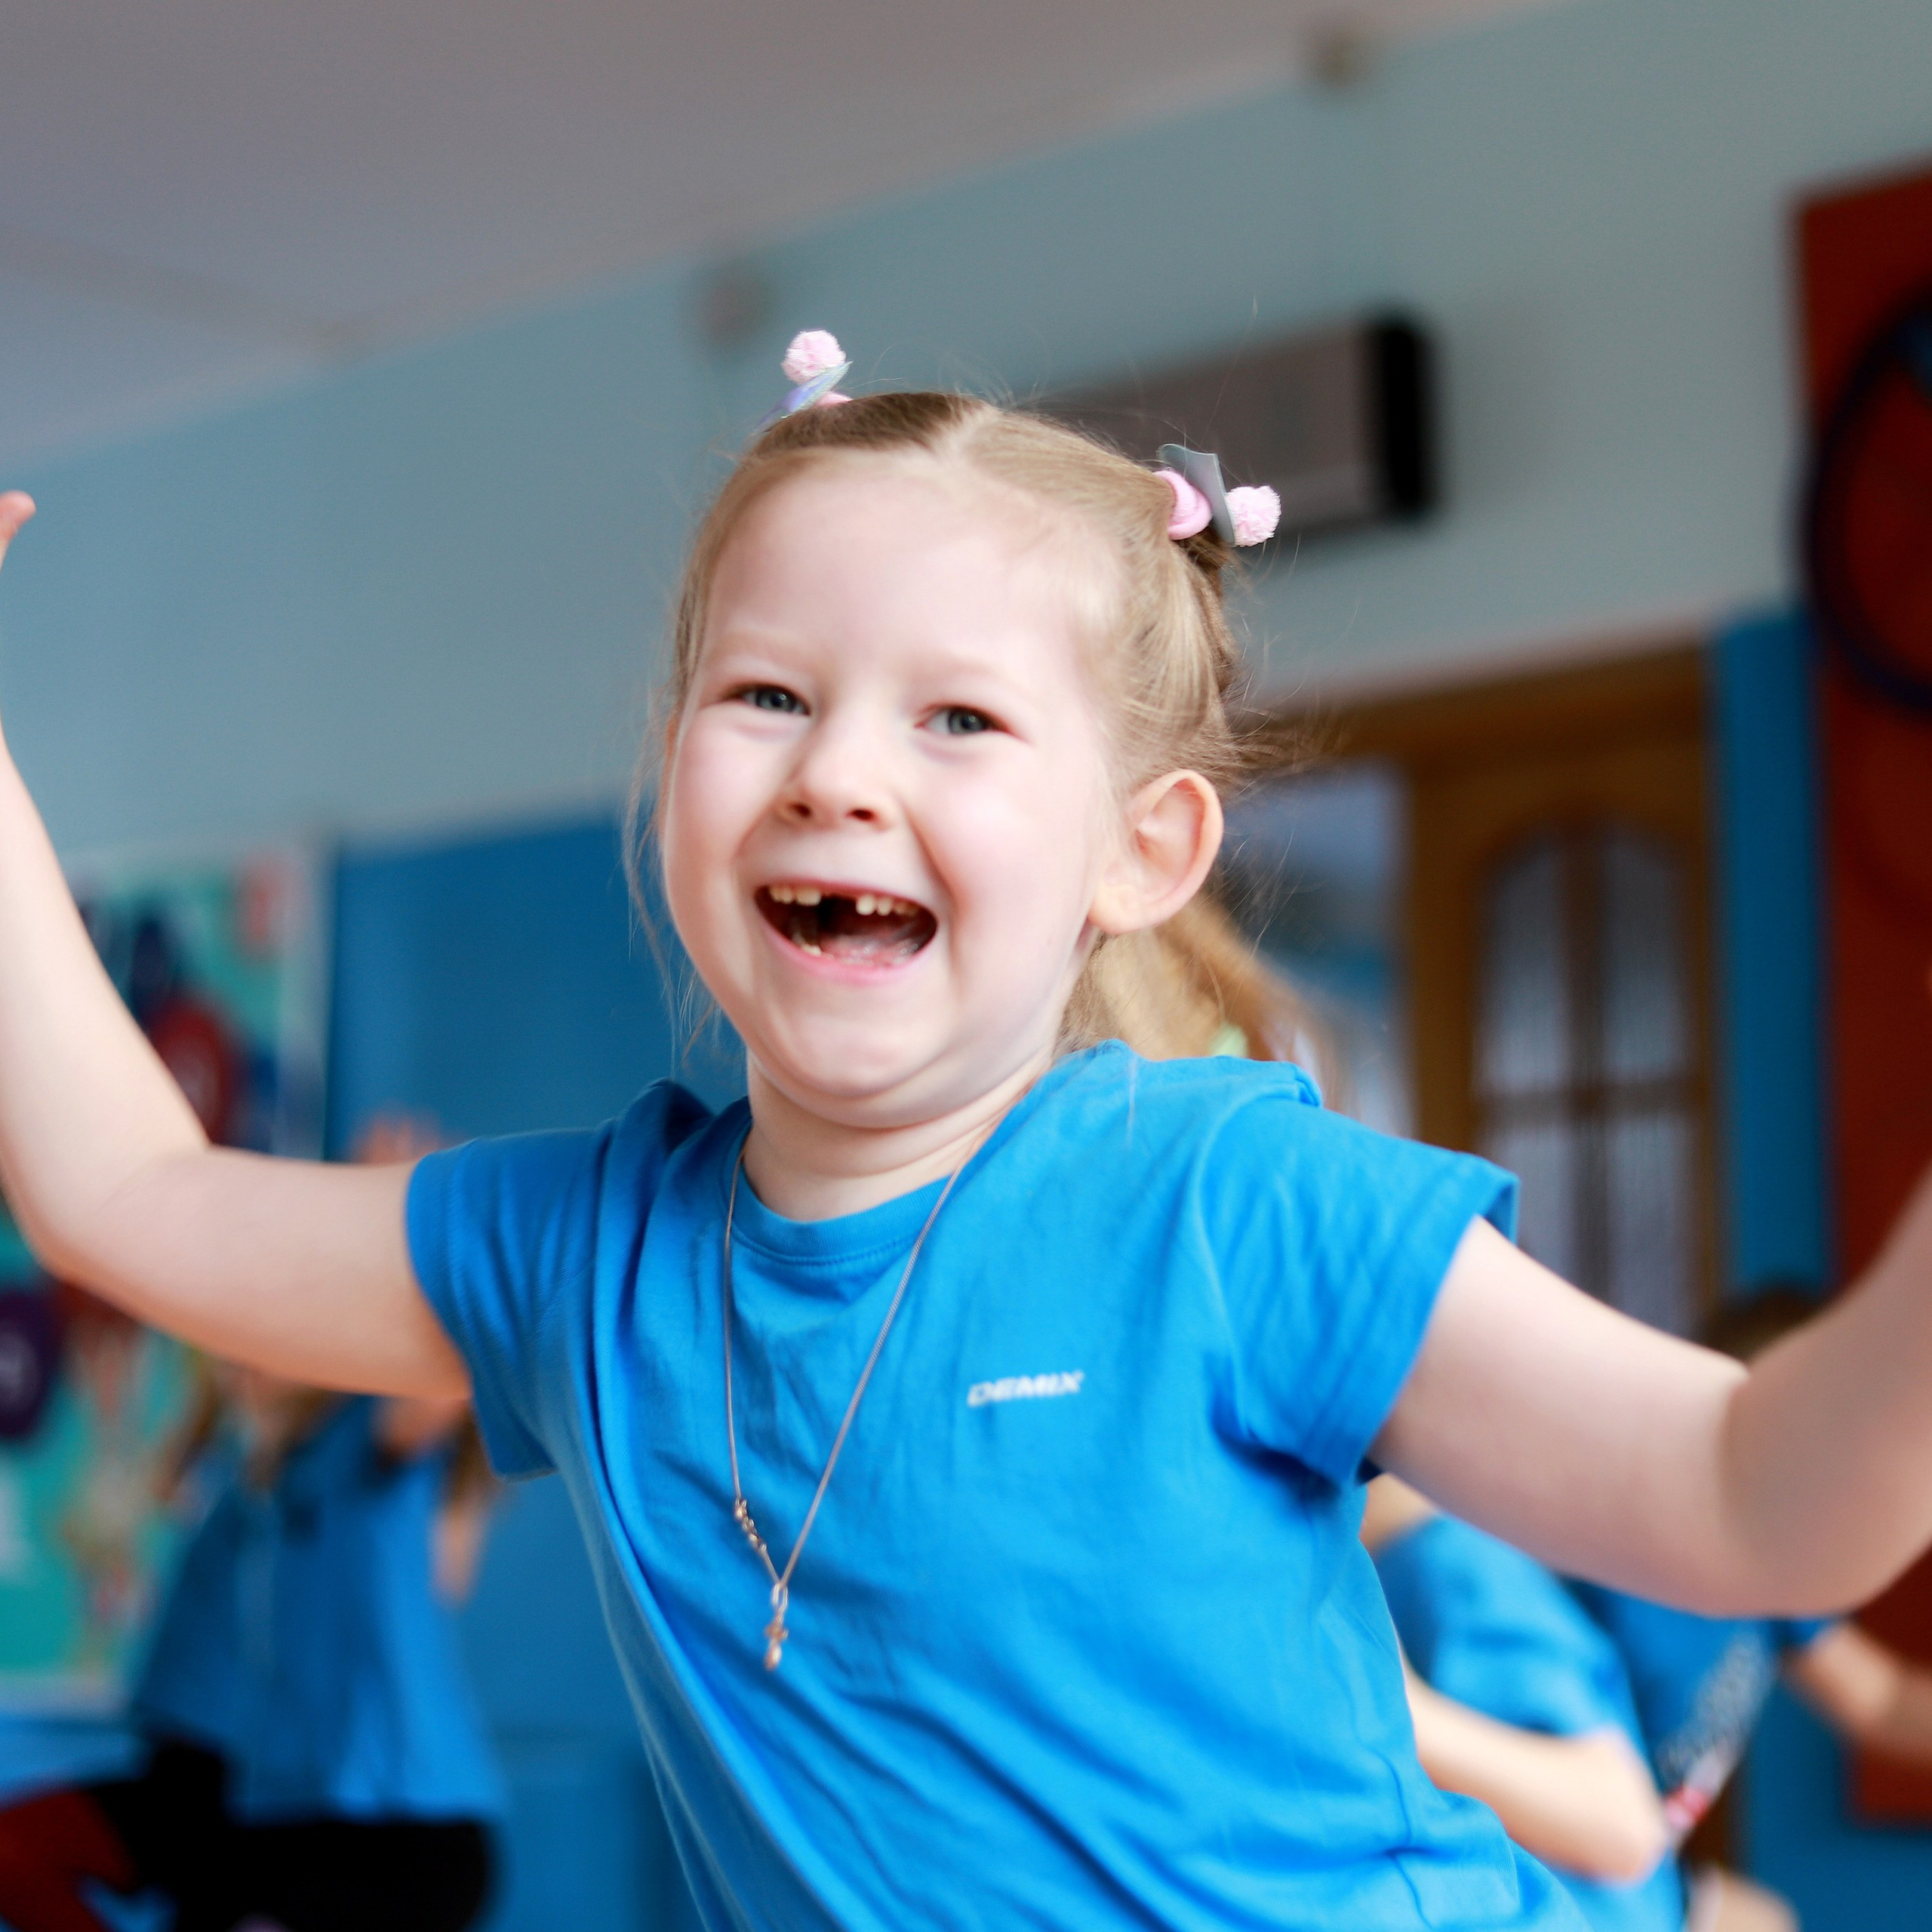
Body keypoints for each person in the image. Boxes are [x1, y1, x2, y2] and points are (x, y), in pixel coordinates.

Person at [3, 332, 1932, 1932]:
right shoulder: (579, 1255)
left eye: (958, 720)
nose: (836, 767)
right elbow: (122, 1190)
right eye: (764, 691)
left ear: (1139, 849)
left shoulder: (1232, 1202)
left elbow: (1766, 1494)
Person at [0, 1364, 502, 1932]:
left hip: (399, 1833)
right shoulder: (260, 1472)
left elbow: (454, 1362)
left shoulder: (367, 1437)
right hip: (264, 1808)